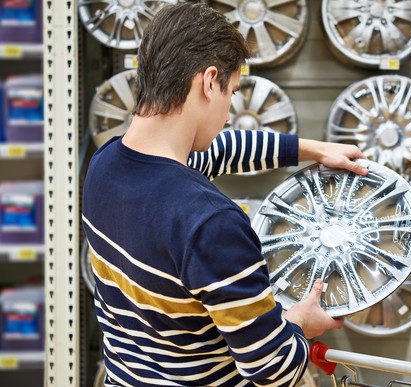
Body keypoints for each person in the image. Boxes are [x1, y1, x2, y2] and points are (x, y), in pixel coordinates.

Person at [82, 2, 368, 386]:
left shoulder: (105, 166)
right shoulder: (210, 223)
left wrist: (314, 150)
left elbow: (220, 149)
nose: (230, 113)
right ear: (208, 80)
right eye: (232, 93)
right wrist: (302, 322)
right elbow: (272, 369)